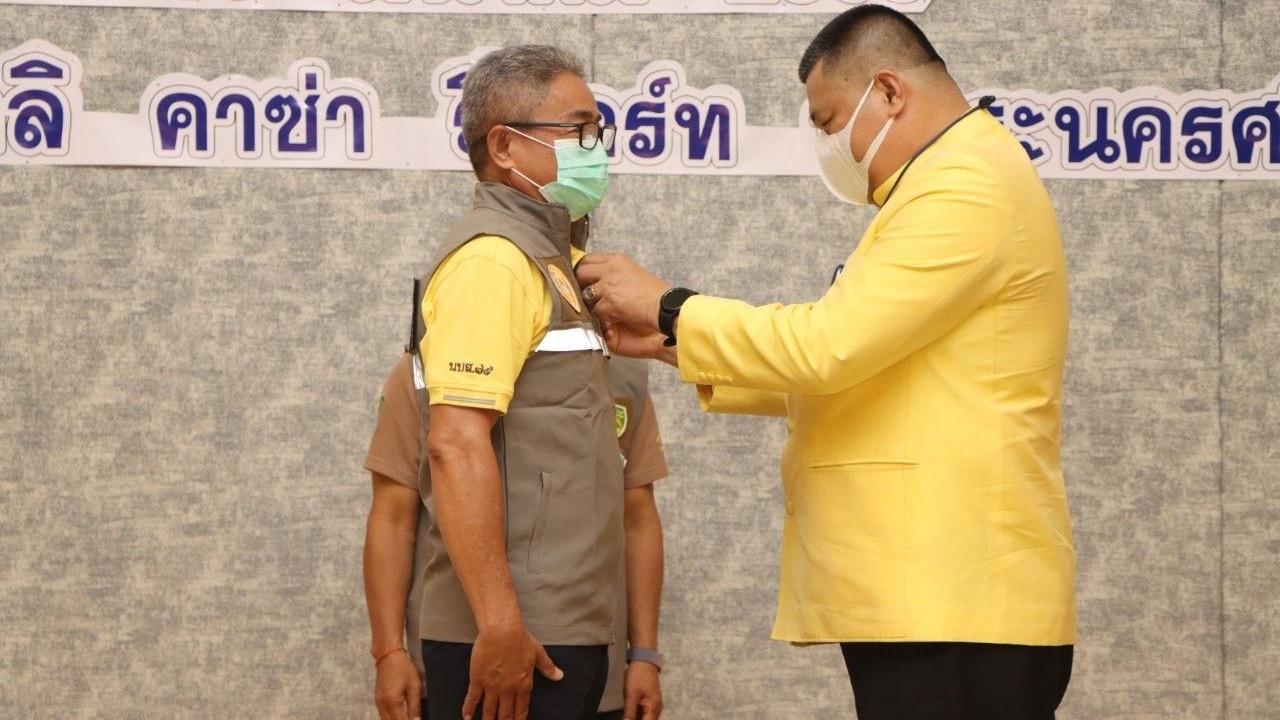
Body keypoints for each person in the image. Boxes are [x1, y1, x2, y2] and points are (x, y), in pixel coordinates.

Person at [574, 6, 1076, 719]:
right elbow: (860, 368)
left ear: (889, 91)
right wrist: (669, 343)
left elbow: (828, 346)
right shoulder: (946, 180)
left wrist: (670, 306)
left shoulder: (965, 183)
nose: (824, 143)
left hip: (955, 595)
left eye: (828, 119)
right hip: (935, 595)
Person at [374, 44, 658, 720]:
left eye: (598, 131)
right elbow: (455, 444)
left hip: (565, 627)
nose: (596, 149)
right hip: (511, 636)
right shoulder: (493, 263)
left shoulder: (554, 264)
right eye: (579, 130)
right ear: (504, 146)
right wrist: (500, 622)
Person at [361, 287, 669, 720]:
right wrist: (389, 651)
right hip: (464, 660)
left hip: (594, 660)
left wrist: (644, 654)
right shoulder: (428, 371)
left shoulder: (618, 373)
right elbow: (393, 517)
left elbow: (637, 517)